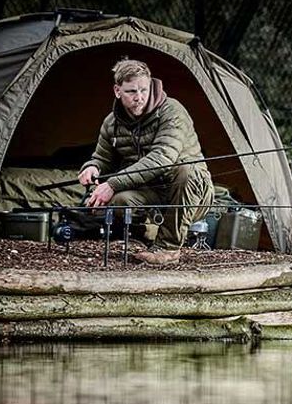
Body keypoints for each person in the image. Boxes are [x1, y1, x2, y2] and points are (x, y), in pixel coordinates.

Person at [78, 59, 214, 265]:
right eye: (131, 91)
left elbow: (162, 158)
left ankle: (168, 249)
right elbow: (102, 158)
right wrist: (91, 168)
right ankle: (141, 239)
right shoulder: (111, 123)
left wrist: (112, 183)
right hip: (152, 191)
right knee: (120, 201)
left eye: (144, 89)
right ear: (117, 90)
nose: (139, 97)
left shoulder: (172, 111)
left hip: (192, 190)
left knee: (185, 170)